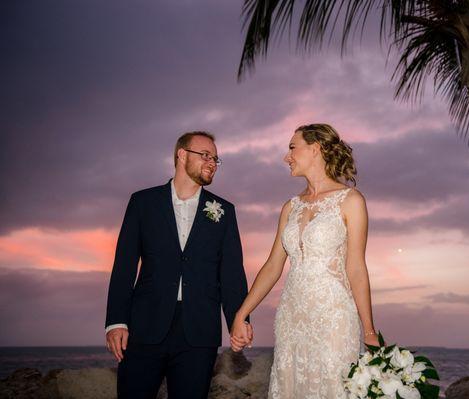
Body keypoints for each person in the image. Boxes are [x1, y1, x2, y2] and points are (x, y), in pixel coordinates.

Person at [229, 123, 378, 398]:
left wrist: (369, 330)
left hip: (333, 315)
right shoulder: (290, 207)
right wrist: (241, 314)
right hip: (291, 316)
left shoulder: (351, 200)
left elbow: (356, 267)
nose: (287, 157)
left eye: (292, 148)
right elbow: (273, 266)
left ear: (315, 149)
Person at [105, 131, 253, 399]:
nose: (212, 162)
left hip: (199, 333)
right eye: (205, 155)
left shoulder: (224, 210)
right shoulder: (143, 202)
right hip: (144, 329)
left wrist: (238, 321)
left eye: (216, 159)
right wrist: (116, 321)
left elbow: (231, 274)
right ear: (181, 155)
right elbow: (124, 266)